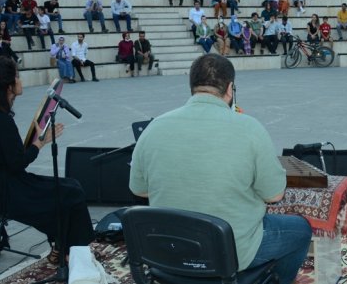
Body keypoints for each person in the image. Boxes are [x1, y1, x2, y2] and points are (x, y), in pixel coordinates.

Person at [129, 54, 312, 284]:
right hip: (231, 251)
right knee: (301, 230)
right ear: (230, 89)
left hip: (169, 249)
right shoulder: (249, 128)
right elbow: (274, 195)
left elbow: (140, 190)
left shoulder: (154, 127)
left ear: (192, 87)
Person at [0, 57, 94, 264]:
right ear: (8, 86)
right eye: (17, 76)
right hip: (9, 191)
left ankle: (62, 246)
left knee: (70, 186)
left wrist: (37, 140)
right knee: (71, 192)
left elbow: (10, 156)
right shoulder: (1, 120)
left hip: (2, 185)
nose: (20, 80)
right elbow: (18, 163)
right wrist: (41, 143)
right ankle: (73, 252)